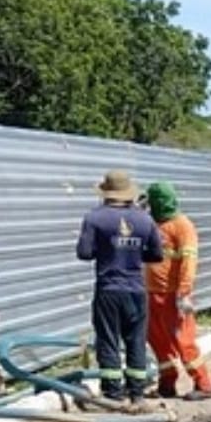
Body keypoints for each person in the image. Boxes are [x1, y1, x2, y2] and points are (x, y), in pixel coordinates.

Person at [77, 170, 163, 404]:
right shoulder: (145, 219)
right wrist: (132, 252)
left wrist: (108, 249)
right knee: (136, 340)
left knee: (108, 340)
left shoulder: (94, 218)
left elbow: (84, 253)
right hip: (136, 289)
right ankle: (137, 394)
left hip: (108, 289)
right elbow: (156, 255)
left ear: (106, 192)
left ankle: (113, 395)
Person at [144, 181, 211, 401]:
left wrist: (184, 293)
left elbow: (188, 262)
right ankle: (167, 382)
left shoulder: (182, 226)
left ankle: (203, 384)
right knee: (157, 340)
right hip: (152, 293)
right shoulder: (153, 225)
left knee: (183, 340)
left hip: (173, 295)